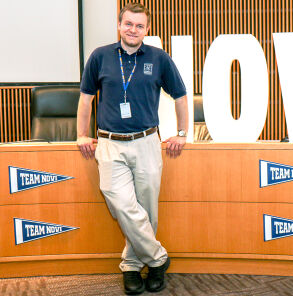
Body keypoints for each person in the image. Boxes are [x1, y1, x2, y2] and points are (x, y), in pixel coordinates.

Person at [76, 3, 188, 295]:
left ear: (147, 29)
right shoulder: (100, 57)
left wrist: (182, 133)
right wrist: (81, 135)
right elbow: (86, 99)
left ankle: (132, 267)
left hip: (147, 142)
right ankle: (158, 258)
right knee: (122, 203)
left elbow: (180, 96)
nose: (133, 29)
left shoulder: (159, 58)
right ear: (119, 24)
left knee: (146, 207)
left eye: (139, 25)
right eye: (128, 24)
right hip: (110, 143)